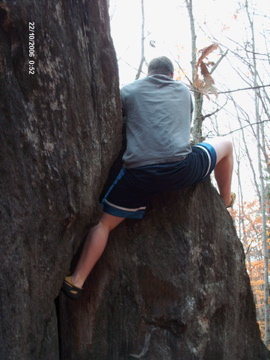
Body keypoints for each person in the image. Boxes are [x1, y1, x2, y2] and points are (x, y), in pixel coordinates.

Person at [62, 56, 234, 299]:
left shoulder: (129, 91)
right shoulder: (184, 93)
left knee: (104, 224)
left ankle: (77, 280)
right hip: (180, 169)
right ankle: (226, 200)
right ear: (171, 74)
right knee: (227, 144)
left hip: (140, 174)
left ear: (148, 72)